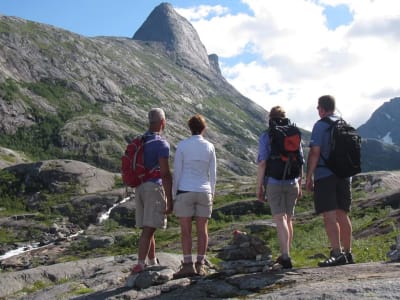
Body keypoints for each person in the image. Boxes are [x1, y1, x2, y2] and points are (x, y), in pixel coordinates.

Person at [305, 95, 355, 267]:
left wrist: (308, 176)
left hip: (325, 175)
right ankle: (348, 253)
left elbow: (315, 153)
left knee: (329, 215)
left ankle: (336, 252)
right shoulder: (344, 123)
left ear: (322, 108)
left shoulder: (320, 126)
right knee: (343, 214)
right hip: (345, 175)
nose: (317, 111)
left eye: (318, 108)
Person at [256, 106, 303, 269]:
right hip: (293, 181)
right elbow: (300, 159)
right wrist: (300, 182)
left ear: (270, 118)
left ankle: (285, 256)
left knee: (280, 218)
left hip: (274, 181)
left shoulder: (267, 135)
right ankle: (286, 252)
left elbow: (262, 162)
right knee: (288, 219)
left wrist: (259, 187)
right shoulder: (293, 133)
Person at [172, 114, 217, 278]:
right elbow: (213, 174)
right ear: (204, 128)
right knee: (202, 230)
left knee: (185, 231)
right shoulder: (210, 147)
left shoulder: (182, 146)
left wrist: (173, 195)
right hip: (204, 190)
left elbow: (177, 172)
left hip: (185, 190)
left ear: (190, 128)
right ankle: (200, 265)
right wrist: (212, 193)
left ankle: (188, 265)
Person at [131, 108, 173, 273]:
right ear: (163, 122)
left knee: (148, 228)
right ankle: (141, 264)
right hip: (153, 187)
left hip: (140, 187)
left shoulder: (141, 140)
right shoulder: (161, 143)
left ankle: (152, 261)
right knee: (149, 229)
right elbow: (165, 173)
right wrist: (169, 199)